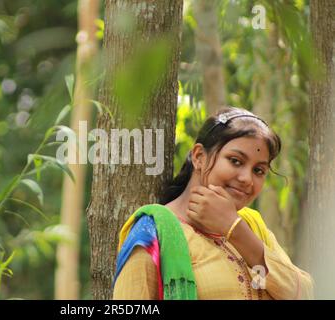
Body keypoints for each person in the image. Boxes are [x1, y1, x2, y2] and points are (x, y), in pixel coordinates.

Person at [113, 106, 314, 300]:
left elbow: (305, 294)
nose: (247, 178)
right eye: (235, 161)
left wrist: (234, 229)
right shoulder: (153, 232)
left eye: (258, 170)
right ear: (199, 157)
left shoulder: (251, 225)